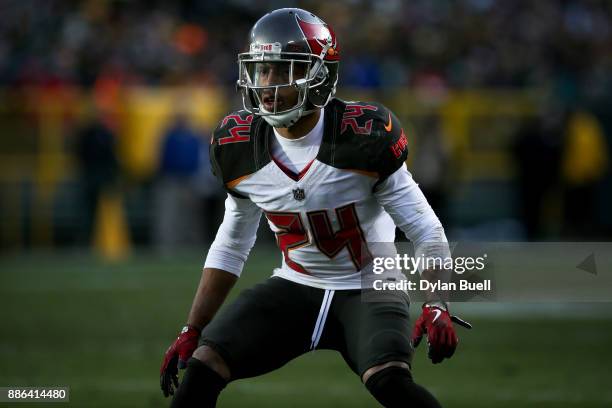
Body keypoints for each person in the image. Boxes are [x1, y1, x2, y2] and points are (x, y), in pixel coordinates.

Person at [160, 8, 469, 407]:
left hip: (370, 288)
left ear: (319, 75)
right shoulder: (238, 146)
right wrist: (193, 327)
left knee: (390, 381)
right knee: (203, 367)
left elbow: (426, 229)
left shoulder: (363, 136)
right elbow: (232, 242)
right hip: (296, 285)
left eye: (284, 71)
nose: (268, 85)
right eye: (263, 70)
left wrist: (436, 300)